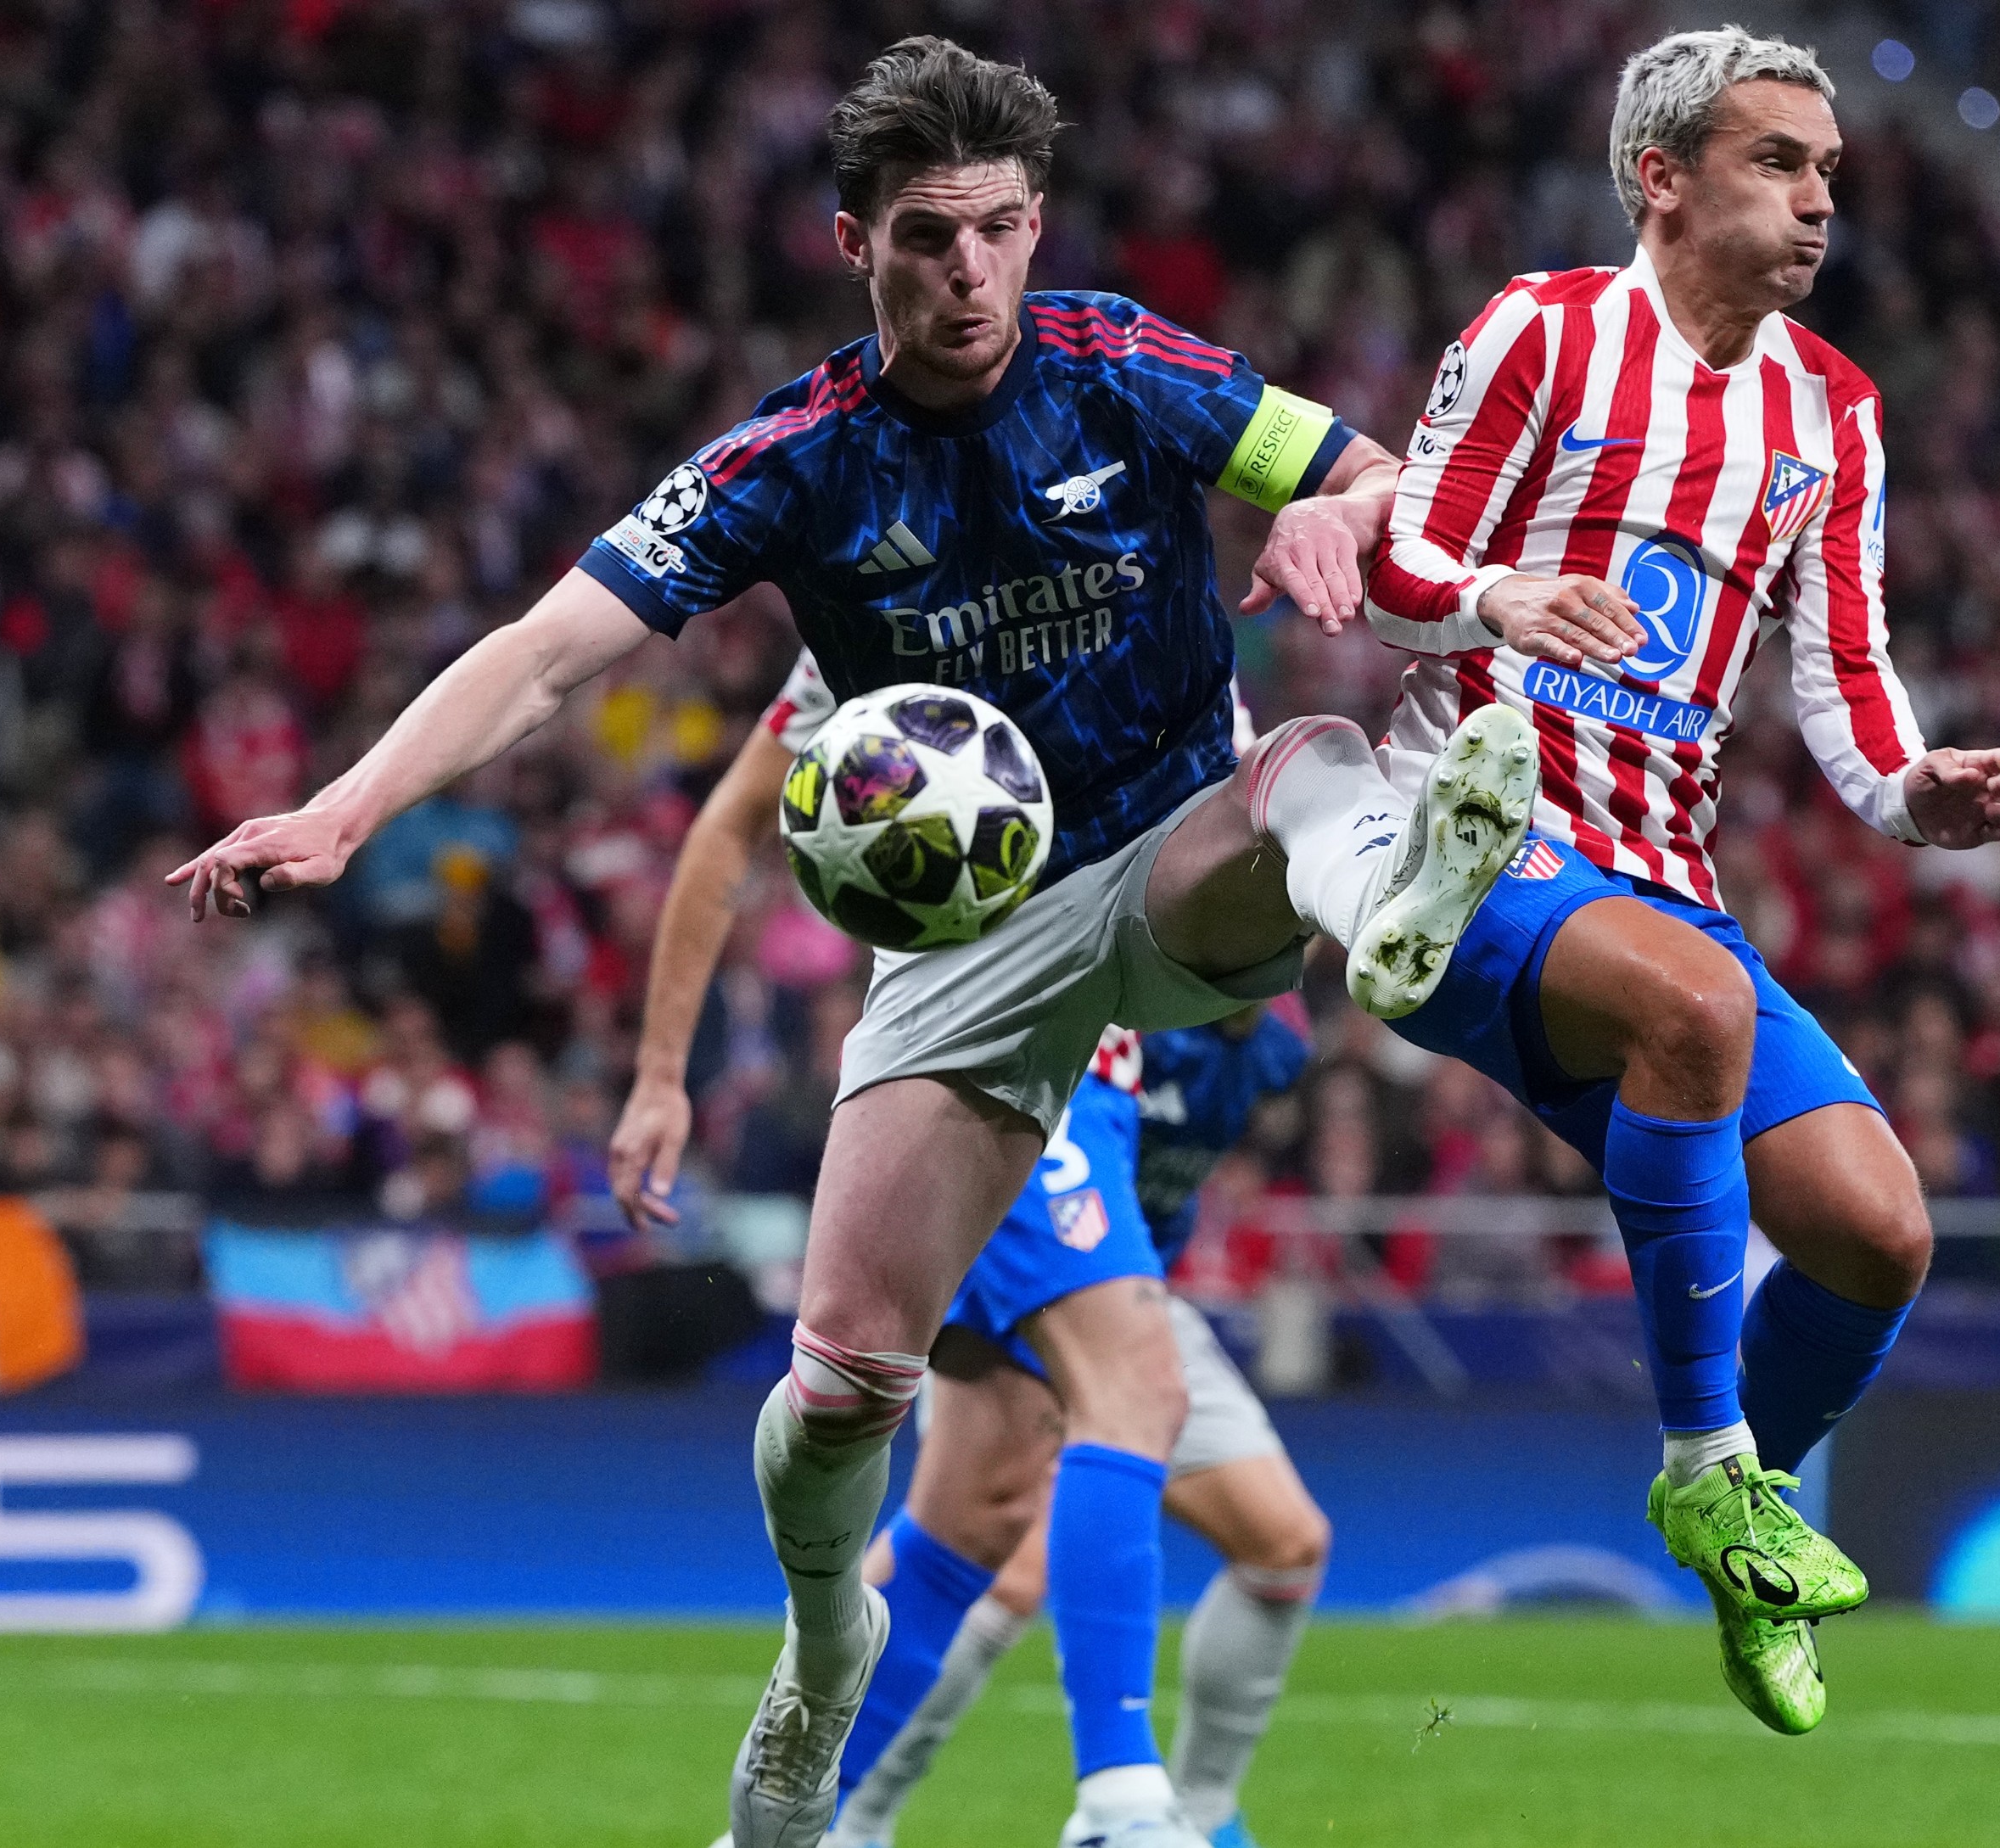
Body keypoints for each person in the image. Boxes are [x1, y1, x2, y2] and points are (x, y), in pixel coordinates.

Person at [175, 39, 1539, 1847]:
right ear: (853, 246)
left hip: (1164, 854)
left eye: (994, 231)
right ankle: (828, 1657)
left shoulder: (1127, 361)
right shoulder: (796, 460)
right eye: (925, 237)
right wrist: (346, 808)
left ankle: (1400, 902)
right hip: (970, 949)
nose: (966, 272)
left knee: (1308, 763)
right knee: (842, 1390)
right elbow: (543, 650)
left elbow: (1374, 469)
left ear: (1034, 227)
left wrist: (1332, 510)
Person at [1353, 28, 2000, 1733]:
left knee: (1880, 1235)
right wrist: (1495, 603)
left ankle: (1745, 1530)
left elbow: (1847, 666)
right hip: (1477, 837)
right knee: (1698, 1005)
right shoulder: (1545, 333)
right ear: (1660, 175)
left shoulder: (1832, 411)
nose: (1817, 200)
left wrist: (1908, 790)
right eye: (1777, 163)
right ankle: (1703, 1465)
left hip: (1660, 877)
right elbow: (1388, 564)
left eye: (1825, 174)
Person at [611, 664, 1328, 1848]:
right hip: (1004, 1073)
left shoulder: (1196, 647)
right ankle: (1121, 1803)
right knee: (1114, 1405)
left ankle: (823, 1825)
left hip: (1091, 1101)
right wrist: (658, 1071)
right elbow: (734, 812)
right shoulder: (898, 612)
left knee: (996, 1512)